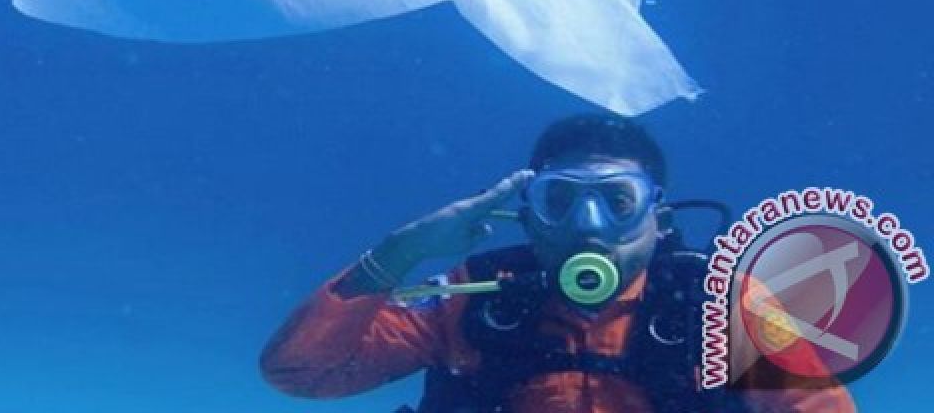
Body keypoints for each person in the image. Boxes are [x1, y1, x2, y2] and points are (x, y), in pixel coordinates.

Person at [260, 114, 856, 412]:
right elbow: (301, 373)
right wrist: (404, 249)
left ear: (659, 217)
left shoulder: (725, 306)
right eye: (560, 200)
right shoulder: (470, 297)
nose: (588, 227)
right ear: (529, 214)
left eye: (618, 202)